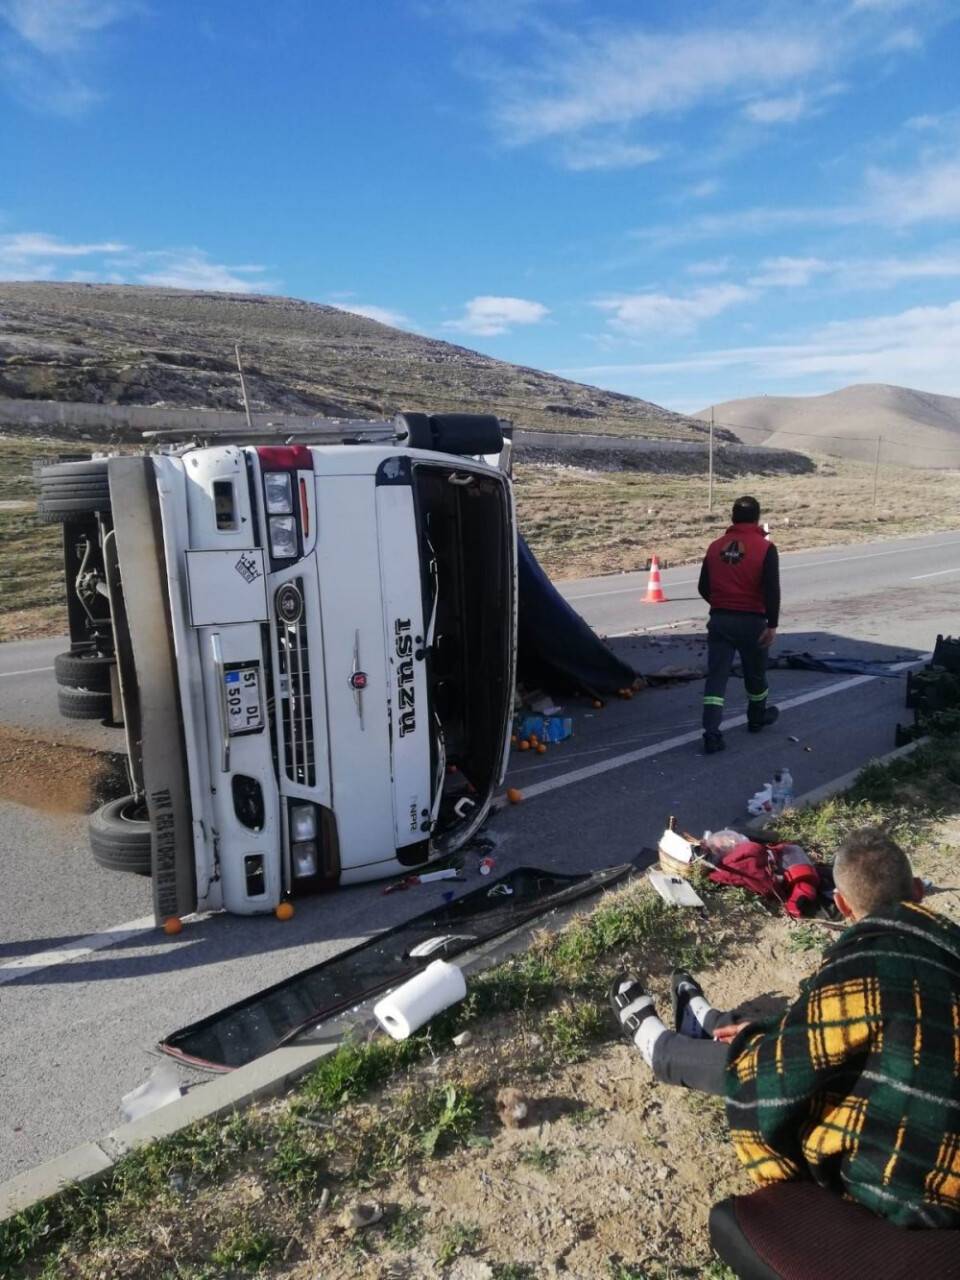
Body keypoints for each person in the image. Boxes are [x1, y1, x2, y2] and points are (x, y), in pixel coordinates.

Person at [608, 829, 960, 1229]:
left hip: (914, 1188)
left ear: (842, 905)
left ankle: (665, 1053)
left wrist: (762, 1044)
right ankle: (710, 1022)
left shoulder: (859, 965)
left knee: (762, 1065)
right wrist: (772, 1028)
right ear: (918, 892)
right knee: (814, 1036)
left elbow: (785, 1068)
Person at [698, 495, 780, 754]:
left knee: (716, 679)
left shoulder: (714, 547)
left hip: (720, 620)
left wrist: (722, 604)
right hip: (752, 621)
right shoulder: (765, 548)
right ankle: (756, 718)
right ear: (757, 518)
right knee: (755, 674)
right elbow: (772, 590)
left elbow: (703, 586)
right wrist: (772, 624)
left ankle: (711, 734)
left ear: (733, 517)